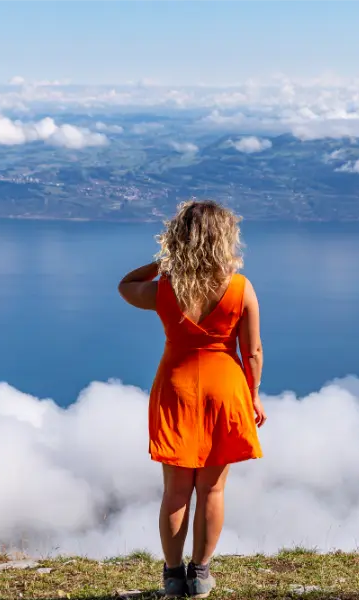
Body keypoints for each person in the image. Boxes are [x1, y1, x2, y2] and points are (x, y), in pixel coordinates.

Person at [118, 199, 266, 598]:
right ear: (224, 239)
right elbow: (252, 352)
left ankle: (171, 575)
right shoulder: (240, 287)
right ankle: (200, 575)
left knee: (175, 492)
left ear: (178, 238)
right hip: (226, 390)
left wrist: (162, 263)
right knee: (213, 491)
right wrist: (252, 398)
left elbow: (125, 286)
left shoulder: (165, 288)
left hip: (176, 388)